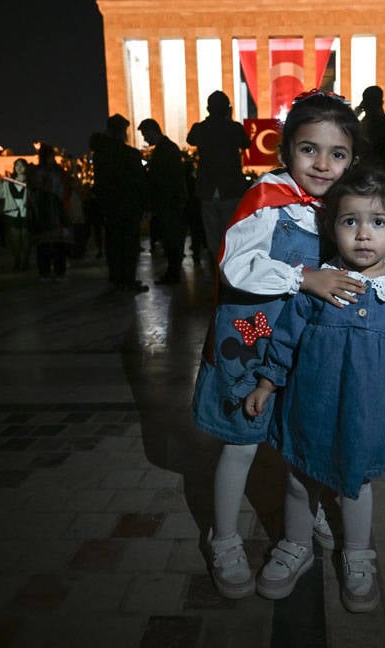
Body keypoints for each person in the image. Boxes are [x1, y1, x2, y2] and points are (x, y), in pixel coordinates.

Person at [191, 90, 367, 600]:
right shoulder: (268, 198)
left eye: (338, 154)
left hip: (305, 349)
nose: (323, 164)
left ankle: (304, 517)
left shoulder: (342, 205)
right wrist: (303, 277)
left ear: (353, 158)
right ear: (285, 149)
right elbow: (234, 265)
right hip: (249, 345)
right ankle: (222, 538)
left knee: (301, 441)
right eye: (309, 149)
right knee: (241, 441)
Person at [244, 163, 385, 612]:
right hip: (309, 407)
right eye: (351, 221)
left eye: (378, 222)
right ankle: (296, 547)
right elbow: (288, 337)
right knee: (298, 480)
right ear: (333, 228)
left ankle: (357, 553)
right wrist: (268, 382)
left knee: (355, 486)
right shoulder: (322, 283)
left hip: (365, 416)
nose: (364, 235)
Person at [188, 91, 252, 265]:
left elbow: (190, 139)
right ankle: (231, 267)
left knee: (212, 233)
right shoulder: (234, 128)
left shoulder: (200, 128)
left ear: (208, 108)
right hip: (231, 188)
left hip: (208, 189)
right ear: (227, 109)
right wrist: (229, 119)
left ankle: (217, 267)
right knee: (232, 231)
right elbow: (247, 143)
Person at [90, 115, 149, 292]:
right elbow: (139, 182)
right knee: (128, 245)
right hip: (127, 206)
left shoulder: (100, 153)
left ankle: (117, 278)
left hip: (110, 206)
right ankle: (127, 280)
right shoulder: (128, 154)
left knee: (114, 243)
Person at [139, 118, 188, 284]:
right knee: (171, 240)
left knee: (172, 239)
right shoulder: (167, 148)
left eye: (145, 135)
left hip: (169, 203)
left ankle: (173, 275)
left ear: (153, 131)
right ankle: (172, 273)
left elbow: (167, 179)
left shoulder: (165, 150)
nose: (145, 139)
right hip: (169, 202)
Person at [26, 145, 76, 282]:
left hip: (56, 209)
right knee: (45, 244)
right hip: (45, 209)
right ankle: (46, 271)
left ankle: (56, 271)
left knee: (56, 244)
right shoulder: (41, 171)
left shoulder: (56, 171)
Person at [0, 158, 31, 271]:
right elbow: (0, 193)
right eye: (17, 165)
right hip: (13, 212)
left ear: (26, 167)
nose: (19, 167)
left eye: (22, 165)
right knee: (15, 240)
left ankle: (26, 261)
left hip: (26, 212)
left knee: (26, 238)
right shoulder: (9, 182)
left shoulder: (31, 181)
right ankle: (17, 261)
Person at [355, 85, 385, 169]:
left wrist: (357, 112)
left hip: (365, 171)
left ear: (364, 105)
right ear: (381, 102)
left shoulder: (360, 128)